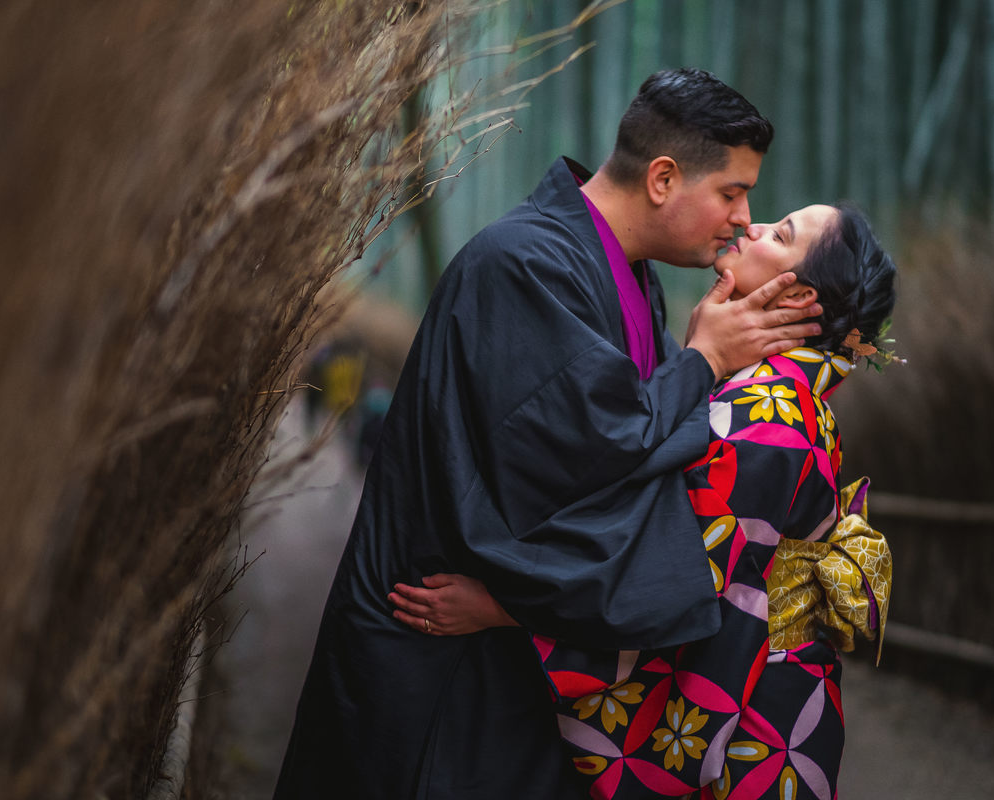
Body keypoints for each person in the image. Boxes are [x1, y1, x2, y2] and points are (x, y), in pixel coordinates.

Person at [274, 68, 824, 799]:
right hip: (436, 659)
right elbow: (591, 463)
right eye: (732, 192)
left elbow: (654, 471)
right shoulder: (522, 265)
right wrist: (703, 361)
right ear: (663, 178)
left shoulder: (626, 274)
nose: (744, 219)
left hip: (501, 652)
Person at [392, 203, 897, 799]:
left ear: (799, 298)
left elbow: (668, 574)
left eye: (780, 234)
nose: (752, 225)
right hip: (764, 694)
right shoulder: (773, 396)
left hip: (757, 727)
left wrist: (503, 606)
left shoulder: (771, 417)